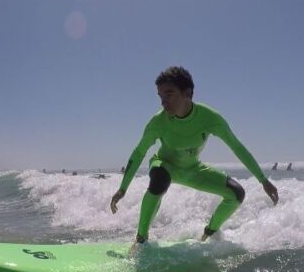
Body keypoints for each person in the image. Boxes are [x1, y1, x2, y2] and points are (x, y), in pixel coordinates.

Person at [109, 66, 278, 244]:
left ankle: (207, 235)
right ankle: (141, 240)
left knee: (236, 194)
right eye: (160, 96)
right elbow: (139, 153)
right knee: (159, 180)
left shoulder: (210, 118)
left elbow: (237, 147)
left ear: (187, 93)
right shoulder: (158, 122)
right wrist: (122, 188)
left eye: (169, 94)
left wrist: (263, 180)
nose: (163, 102)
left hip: (192, 170)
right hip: (164, 164)